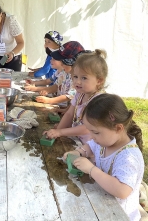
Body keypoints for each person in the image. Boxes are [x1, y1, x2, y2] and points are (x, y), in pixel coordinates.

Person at [63, 93, 144, 221]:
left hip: (120, 215)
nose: (92, 136)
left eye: (95, 132)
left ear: (118, 128)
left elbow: (122, 191)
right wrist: (79, 152)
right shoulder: (104, 141)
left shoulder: (129, 157)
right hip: (102, 202)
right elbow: (90, 146)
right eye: (90, 131)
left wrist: (91, 170)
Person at [43, 49, 108, 144]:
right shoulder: (80, 94)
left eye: (84, 78)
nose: (77, 81)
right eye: (75, 76)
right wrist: (56, 132)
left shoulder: (99, 101)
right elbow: (69, 114)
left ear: (99, 80)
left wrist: (60, 132)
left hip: (89, 149)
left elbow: (87, 128)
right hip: (76, 140)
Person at [34, 41, 86, 106]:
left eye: (64, 62)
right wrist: (47, 91)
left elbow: (69, 96)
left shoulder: (77, 80)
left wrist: (49, 100)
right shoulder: (63, 72)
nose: (61, 64)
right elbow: (57, 86)